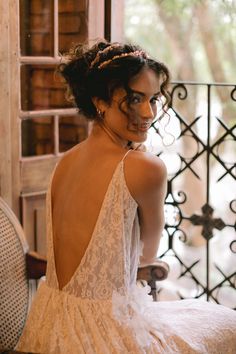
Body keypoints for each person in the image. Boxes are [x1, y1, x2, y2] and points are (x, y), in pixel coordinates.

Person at [17, 40, 236, 354]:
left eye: (153, 99)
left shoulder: (65, 161)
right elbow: (147, 256)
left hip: (50, 325)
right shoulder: (144, 168)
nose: (148, 112)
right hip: (105, 335)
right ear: (99, 101)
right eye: (134, 99)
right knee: (227, 325)